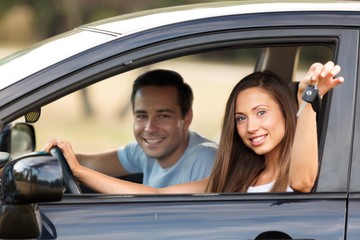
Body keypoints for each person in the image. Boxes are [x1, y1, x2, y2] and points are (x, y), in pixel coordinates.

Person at [44, 61, 344, 193]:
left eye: (261, 113)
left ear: (285, 112)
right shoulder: (236, 175)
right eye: (241, 118)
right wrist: (80, 171)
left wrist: (307, 100)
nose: (251, 127)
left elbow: (303, 183)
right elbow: (157, 196)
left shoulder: (300, 170)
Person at [45, 69, 218, 188]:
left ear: (186, 118)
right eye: (142, 116)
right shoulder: (143, 151)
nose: (150, 128)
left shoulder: (206, 159)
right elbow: (87, 162)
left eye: (163, 115)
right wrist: (45, 159)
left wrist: (79, 172)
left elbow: (157, 197)